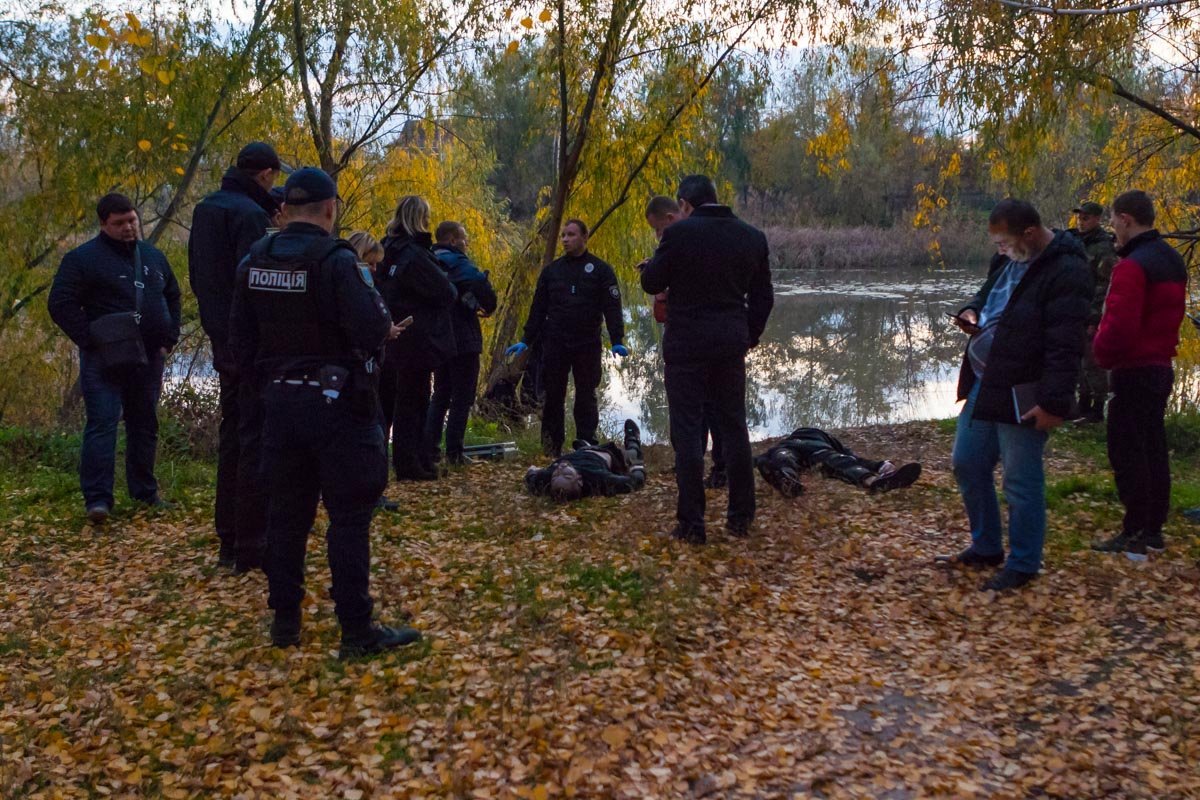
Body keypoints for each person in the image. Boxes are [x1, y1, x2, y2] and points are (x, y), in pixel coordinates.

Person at [228, 167, 418, 658]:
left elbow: (238, 341)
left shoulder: (256, 259)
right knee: (349, 518)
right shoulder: (337, 261)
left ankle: (285, 620)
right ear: (331, 209)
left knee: (287, 515)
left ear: (286, 209)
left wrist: (265, 388)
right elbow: (375, 325)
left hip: (278, 405)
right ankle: (356, 630)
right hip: (338, 406)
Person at [947, 199, 1092, 591]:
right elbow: (985, 296)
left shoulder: (1067, 269)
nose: (1000, 250)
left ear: (1028, 233)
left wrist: (1053, 403)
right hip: (986, 380)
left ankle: (1024, 563)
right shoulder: (1007, 260)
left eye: (1004, 242)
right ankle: (986, 546)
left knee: (1020, 479)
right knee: (967, 462)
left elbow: (1066, 345)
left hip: (1025, 389)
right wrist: (971, 312)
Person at [640, 175, 774, 544]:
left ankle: (692, 524)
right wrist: (749, 336)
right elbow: (763, 299)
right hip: (730, 345)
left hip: (686, 347)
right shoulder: (751, 236)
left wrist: (655, 264)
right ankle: (741, 516)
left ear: (684, 204)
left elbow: (652, 282)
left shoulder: (678, 235)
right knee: (734, 428)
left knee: (687, 433)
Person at [48, 193, 181, 524]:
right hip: (103, 360)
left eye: (132, 220)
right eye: (119, 223)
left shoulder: (152, 256)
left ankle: (145, 493)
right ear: (104, 224)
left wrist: (169, 339)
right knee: (103, 424)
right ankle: (97, 500)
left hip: (149, 356)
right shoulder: (83, 259)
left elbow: (173, 295)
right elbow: (60, 302)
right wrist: (90, 337)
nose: (128, 227)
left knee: (144, 424)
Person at [188, 141, 283, 571]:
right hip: (251, 346)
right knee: (255, 437)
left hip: (220, 337)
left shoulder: (206, 210)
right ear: (265, 175)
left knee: (233, 434)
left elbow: (202, 279)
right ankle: (251, 540)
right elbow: (255, 286)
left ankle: (228, 534)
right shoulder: (249, 216)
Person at [1090, 191, 1188, 561]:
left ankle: (1135, 532)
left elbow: (1119, 326)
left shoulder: (1131, 266)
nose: (1112, 227)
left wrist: (1101, 354)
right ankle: (1153, 531)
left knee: (1128, 452)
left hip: (1133, 369)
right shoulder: (1171, 259)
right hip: (1161, 366)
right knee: (1153, 449)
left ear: (1127, 219)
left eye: (1114, 220)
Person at [506, 219, 627, 456]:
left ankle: (586, 443)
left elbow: (612, 307)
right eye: (563, 235)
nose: (565, 239)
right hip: (555, 342)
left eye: (571, 235)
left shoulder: (601, 270)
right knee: (552, 394)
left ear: (584, 236)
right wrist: (527, 339)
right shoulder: (552, 271)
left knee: (586, 394)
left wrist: (617, 339)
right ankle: (551, 446)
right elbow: (538, 308)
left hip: (587, 343)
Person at [644, 195, 727, 490]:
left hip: (695, 341)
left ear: (671, 217)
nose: (658, 236)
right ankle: (697, 465)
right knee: (700, 410)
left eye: (657, 230)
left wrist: (654, 271)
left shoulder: (687, 239)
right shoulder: (704, 237)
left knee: (706, 408)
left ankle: (714, 468)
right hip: (705, 338)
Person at [376, 196, 457, 481]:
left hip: (387, 338)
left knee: (389, 403)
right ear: (420, 219)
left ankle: (386, 461)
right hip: (416, 340)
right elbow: (446, 292)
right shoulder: (416, 255)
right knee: (414, 401)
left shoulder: (385, 249)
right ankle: (410, 463)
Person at [427, 222, 498, 465]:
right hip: (464, 339)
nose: (467, 244)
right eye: (464, 239)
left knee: (440, 395)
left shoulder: (428, 261)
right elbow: (486, 294)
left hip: (438, 338)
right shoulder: (461, 264)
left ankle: (430, 450)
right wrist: (484, 304)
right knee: (462, 397)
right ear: (453, 240)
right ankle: (455, 453)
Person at [348, 230, 408, 512]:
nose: (374, 269)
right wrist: (385, 332)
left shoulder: (366, 288)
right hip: (358, 373)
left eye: (376, 265)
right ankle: (367, 493)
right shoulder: (351, 288)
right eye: (370, 263)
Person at [755, 428, 922, 496]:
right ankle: (786, 479)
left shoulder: (822, 438)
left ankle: (875, 482)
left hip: (804, 450)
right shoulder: (823, 438)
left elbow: (849, 457)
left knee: (783, 458)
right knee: (836, 460)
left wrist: (879, 465)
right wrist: (879, 465)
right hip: (805, 450)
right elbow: (850, 457)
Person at [1068, 201, 1119, 423]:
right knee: (1078, 360)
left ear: (1097, 219)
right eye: (1080, 217)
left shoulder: (1103, 246)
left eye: (1086, 217)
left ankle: (1097, 410)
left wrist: (1094, 318)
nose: (1081, 221)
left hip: (1092, 311)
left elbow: (1104, 286)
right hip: (1074, 309)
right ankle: (1082, 405)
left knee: (1092, 361)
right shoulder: (1075, 242)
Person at [525, 420, 646, 500]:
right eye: (567, 475)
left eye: (556, 474)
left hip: (582, 451)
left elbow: (531, 475)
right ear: (580, 481)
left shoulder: (547, 478)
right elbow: (634, 482)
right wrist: (637, 468)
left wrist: (533, 471)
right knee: (633, 454)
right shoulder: (598, 478)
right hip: (612, 454)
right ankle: (633, 438)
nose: (562, 467)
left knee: (580, 445)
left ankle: (585, 446)